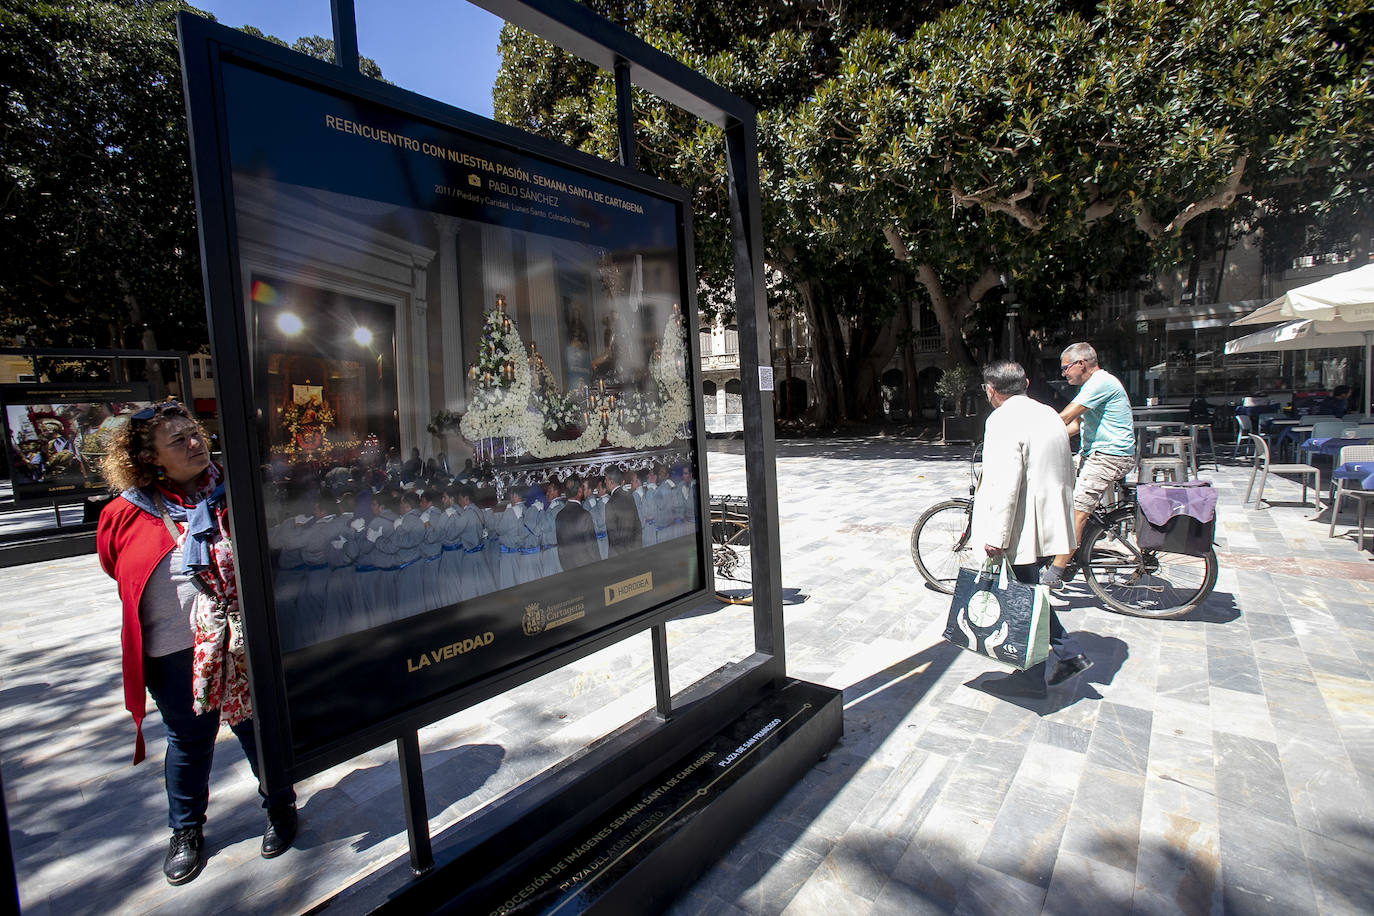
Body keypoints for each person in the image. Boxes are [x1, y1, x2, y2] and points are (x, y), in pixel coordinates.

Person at [96, 401, 297, 886]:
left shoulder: (239, 492)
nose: (195, 443)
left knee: (256, 727)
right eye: (178, 440)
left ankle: (280, 807)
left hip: (242, 641)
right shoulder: (124, 514)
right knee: (189, 740)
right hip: (173, 650)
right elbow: (115, 567)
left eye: (195, 432)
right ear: (149, 459)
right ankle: (186, 831)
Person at [971, 361, 1094, 699]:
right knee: (1029, 595)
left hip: (1022, 526)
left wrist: (996, 538)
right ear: (1025, 382)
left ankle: (1035, 674)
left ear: (991, 390)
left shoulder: (1002, 420)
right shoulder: (1048, 413)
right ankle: (1067, 654)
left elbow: (1004, 482)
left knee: (1024, 600)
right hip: (1048, 521)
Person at [1042, 342, 1136, 588]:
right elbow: (1074, 426)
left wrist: (1032, 431)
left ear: (1081, 363)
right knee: (1054, 485)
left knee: (1078, 509)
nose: (1064, 374)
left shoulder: (1100, 383)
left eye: (1065, 368)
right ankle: (1071, 543)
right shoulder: (1091, 387)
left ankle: (1056, 572)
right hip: (1094, 454)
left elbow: (1065, 417)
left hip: (1108, 456)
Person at [555, 476, 601, 570]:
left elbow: (560, 550)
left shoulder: (559, 515)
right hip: (586, 569)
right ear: (580, 491)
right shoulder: (584, 515)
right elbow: (592, 548)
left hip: (568, 568)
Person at [603, 466, 641, 556]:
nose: (605, 482)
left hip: (619, 555)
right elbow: (638, 526)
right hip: (634, 551)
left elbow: (613, 537)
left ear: (611, 482)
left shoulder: (610, 504)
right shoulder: (629, 496)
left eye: (606, 479)